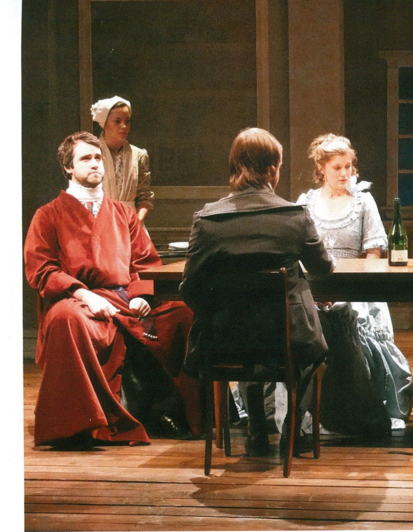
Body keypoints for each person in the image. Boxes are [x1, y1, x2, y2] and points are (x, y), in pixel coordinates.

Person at [24, 132, 200, 449]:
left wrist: (141, 294)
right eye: (85, 158)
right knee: (68, 321)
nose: (95, 164)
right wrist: (83, 294)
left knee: (184, 314)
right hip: (77, 301)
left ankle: (182, 415)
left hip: (124, 299)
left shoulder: (124, 213)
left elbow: (146, 261)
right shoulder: (48, 215)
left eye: (97, 158)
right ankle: (78, 425)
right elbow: (41, 269)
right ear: (68, 167)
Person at [179, 127, 334, 457]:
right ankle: (292, 424)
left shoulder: (207, 221)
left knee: (247, 336)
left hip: (226, 339)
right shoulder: (294, 216)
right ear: (273, 169)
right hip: (286, 338)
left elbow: (190, 287)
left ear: (234, 167)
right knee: (314, 348)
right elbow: (323, 269)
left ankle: (255, 430)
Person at [293, 133, 413, 436]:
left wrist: (352, 287)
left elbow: (374, 252)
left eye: (349, 166)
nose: (345, 173)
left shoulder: (362, 201)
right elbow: (297, 253)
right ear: (321, 168)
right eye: (337, 167)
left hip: (356, 287)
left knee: (350, 321)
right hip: (314, 289)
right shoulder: (305, 203)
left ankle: (357, 407)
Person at [91, 96, 154, 221]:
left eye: (127, 121)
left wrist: (136, 222)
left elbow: (144, 197)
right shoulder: (91, 154)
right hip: (99, 222)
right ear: (104, 123)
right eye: (117, 121)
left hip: (131, 222)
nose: (124, 126)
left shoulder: (138, 155)